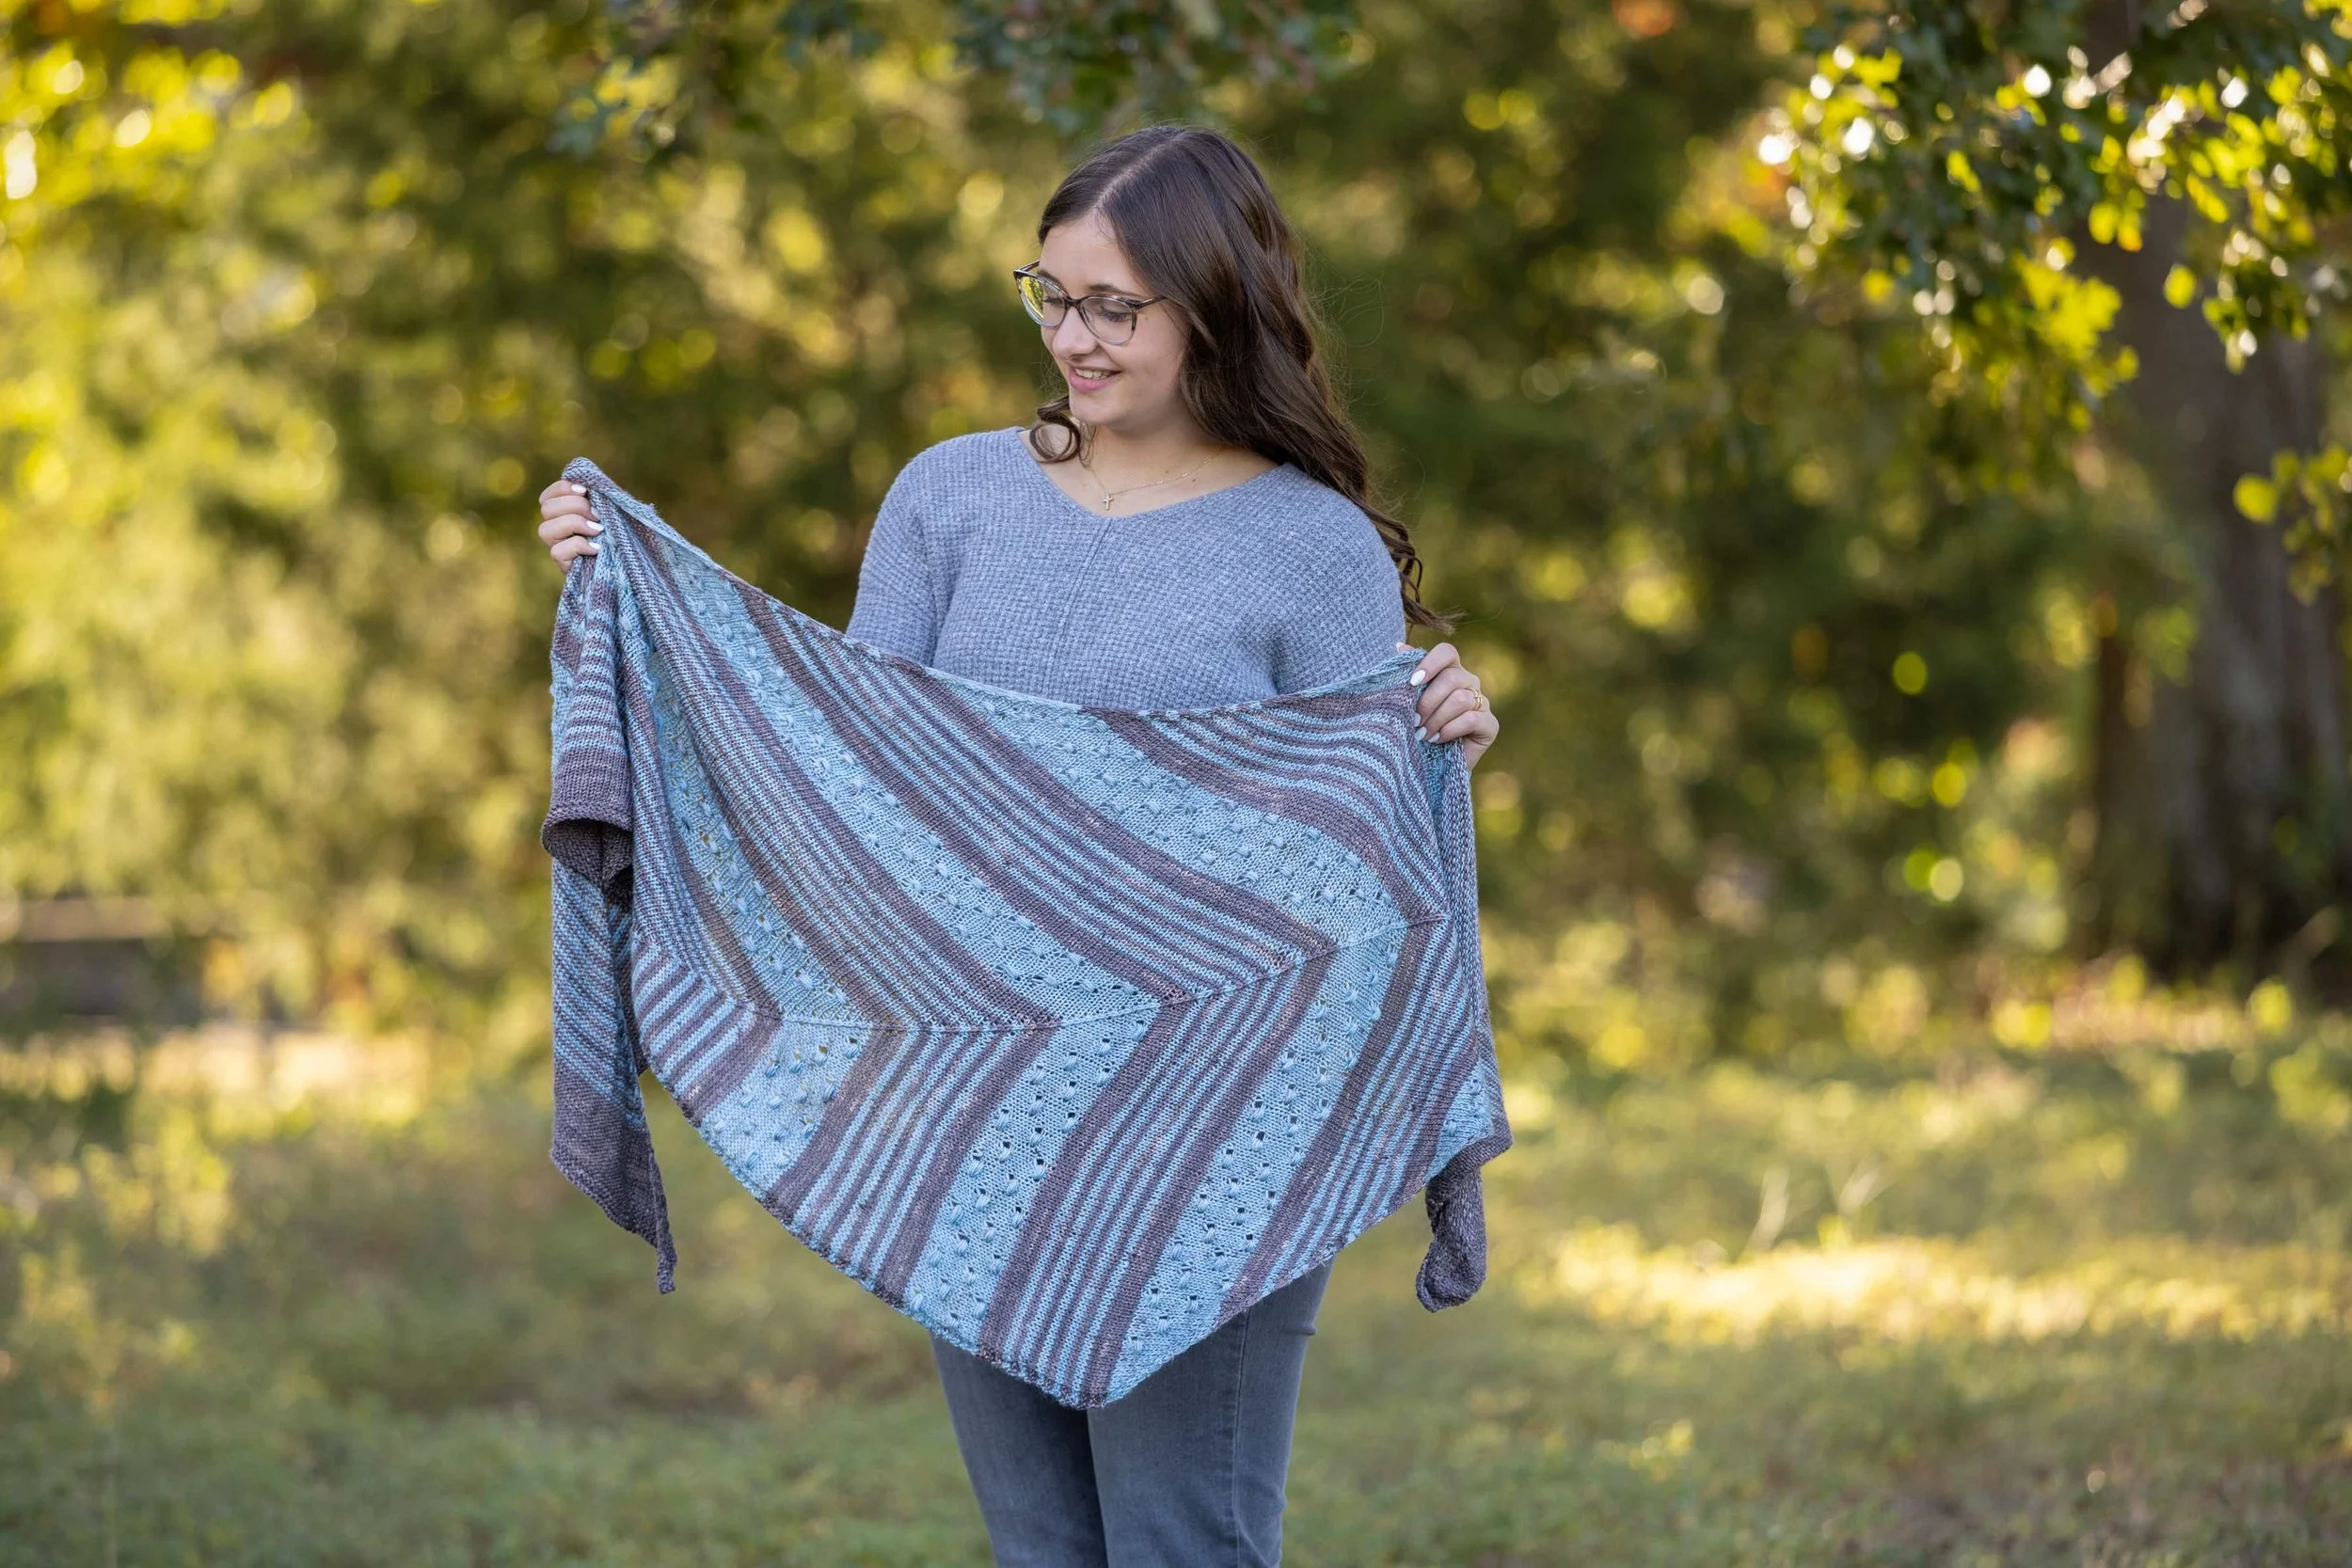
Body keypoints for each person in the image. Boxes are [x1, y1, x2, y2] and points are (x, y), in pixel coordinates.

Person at [534, 121, 1501, 1568]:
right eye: (1051, 295)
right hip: (977, 1118)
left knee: (1185, 1544)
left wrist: (1444, 737)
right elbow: (851, 783)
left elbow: (1351, 879)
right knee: (1040, 1550)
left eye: (1116, 305)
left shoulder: (1312, 548)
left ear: (1214, 303)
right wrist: (643, 592)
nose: (1074, 337)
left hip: (1210, 1132)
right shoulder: (952, 497)